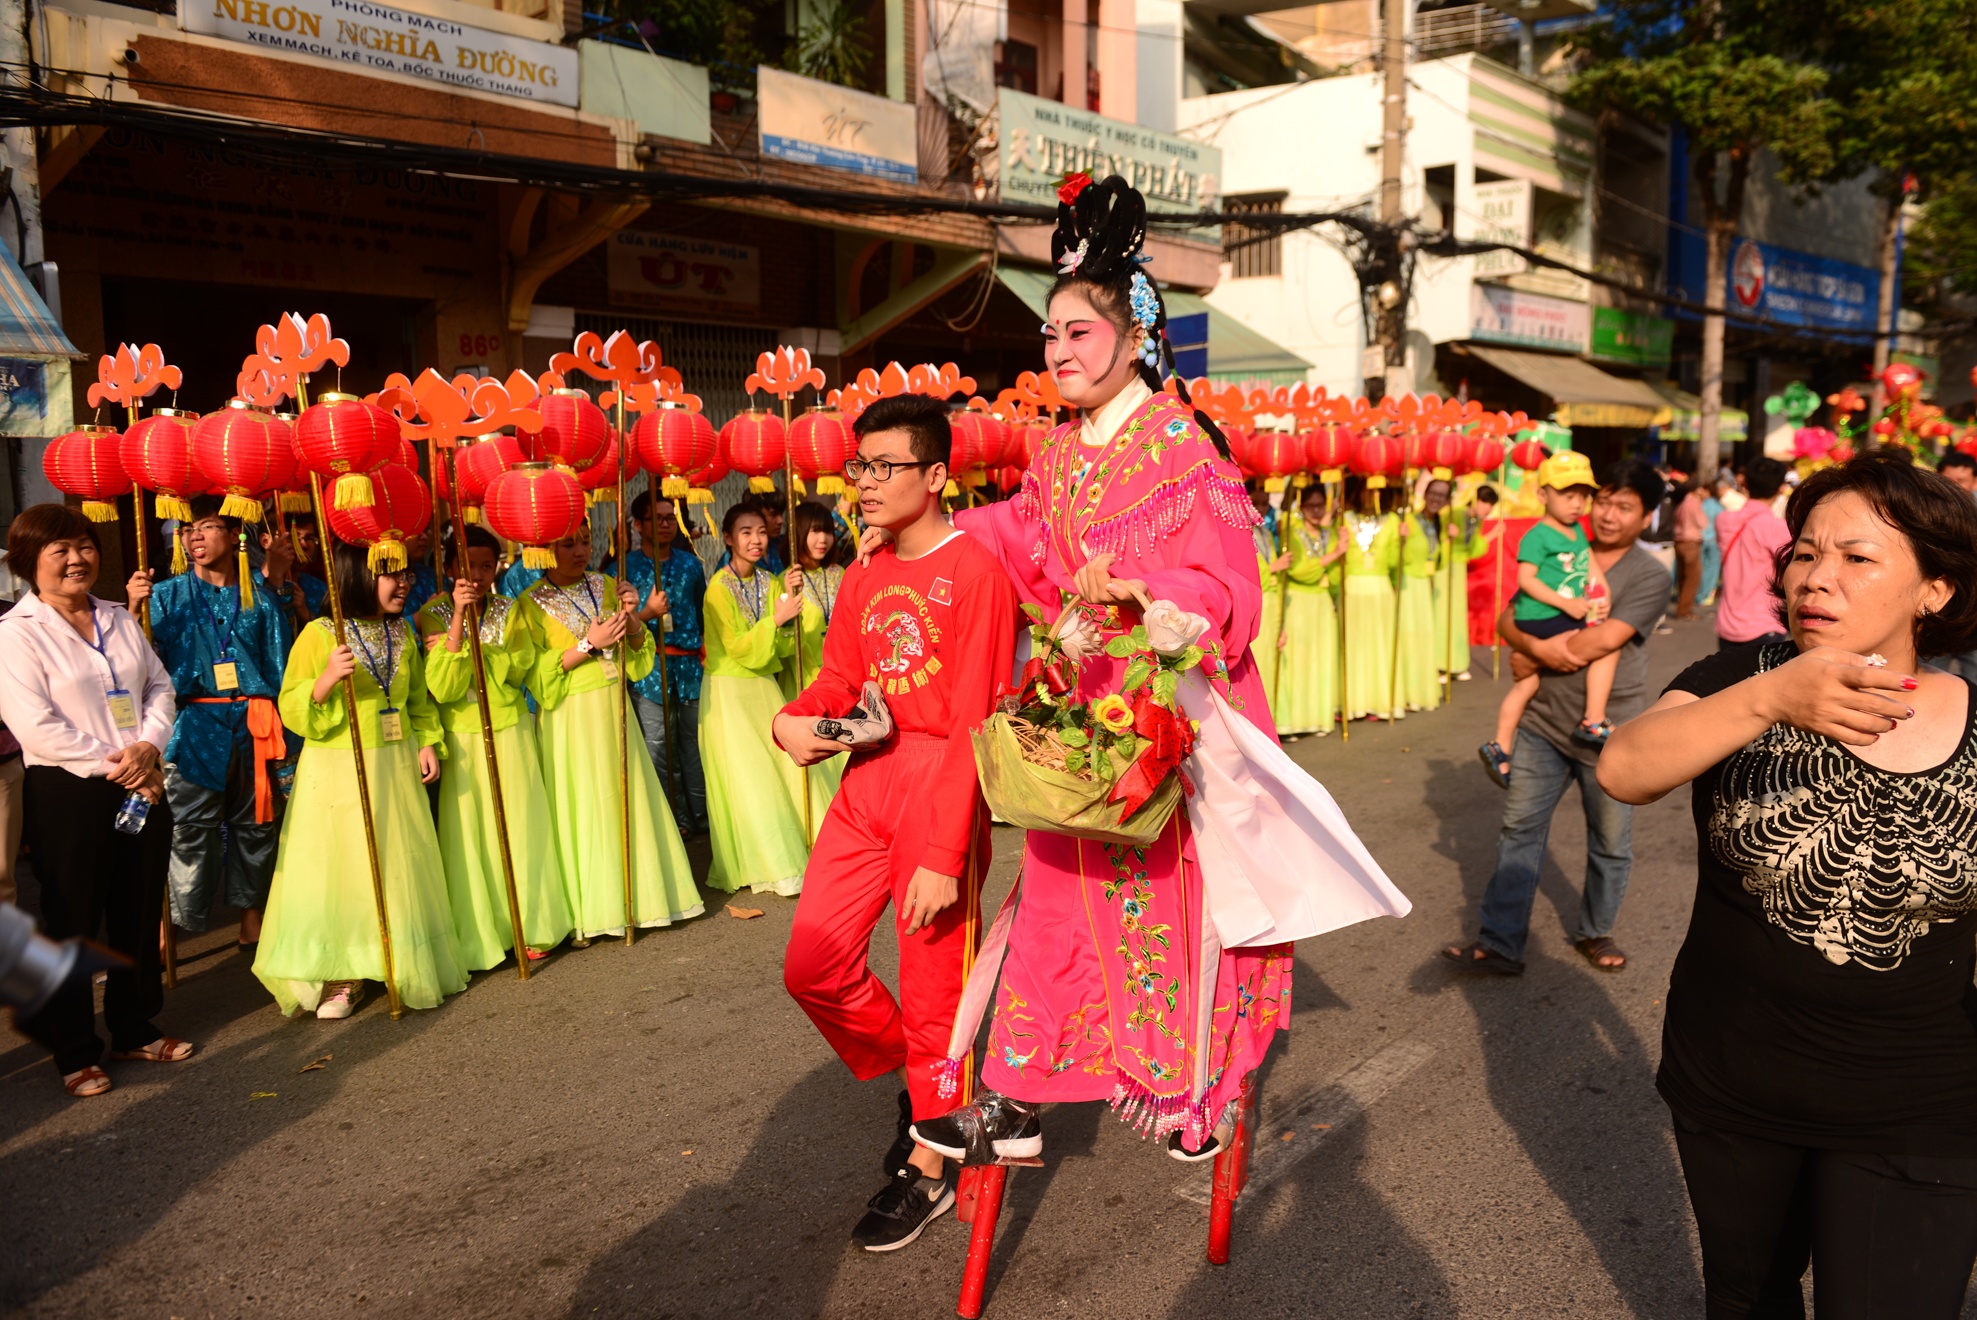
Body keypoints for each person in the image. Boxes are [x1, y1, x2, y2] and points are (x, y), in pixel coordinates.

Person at [908, 174, 1405, 1176]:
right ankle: (1020, 1094)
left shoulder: (1182, 443)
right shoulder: (1052, 455)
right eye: (1049, 335)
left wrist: (1144, 590)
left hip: (1168, 724)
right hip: (1083, 724)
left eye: (1079, 334)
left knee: (1181, 912)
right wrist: (925, 525)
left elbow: (1228, 583)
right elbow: (1020, 541)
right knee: (1052, 890)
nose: (1059, 352)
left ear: (1134, 336)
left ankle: (1190, 1087)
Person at [1597, 454, 1977, 1318]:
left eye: (1856, 557)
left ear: (1934, 592)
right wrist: (1771, 697)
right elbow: (1622, 769)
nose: (1818, 577)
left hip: (1925, 1103)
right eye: (1804, 553)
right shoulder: (1740, 678)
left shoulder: (1974, 719)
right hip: (1735, 1085)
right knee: (1747, 1295)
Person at [774, 392, 1018, 1252]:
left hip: (939, 790)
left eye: (885, 467)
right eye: (859, 466)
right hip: (865, 781)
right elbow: (842, 675)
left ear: (937, 474)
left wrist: (945, 853)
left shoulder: (977, 574)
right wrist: (800, 719)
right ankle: (926, 1093)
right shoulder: (868, 567)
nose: (865, 484)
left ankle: (930, 1168)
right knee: (813, 964)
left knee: (933, 997)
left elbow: (977, 724)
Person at [1443, 459, 1667, 975]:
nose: (1608, 515)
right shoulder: (1557, 547)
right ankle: (1500, 940)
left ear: (1647, 516)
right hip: (1542, 722)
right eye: (1603, 501)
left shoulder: (1648, 575)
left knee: (1610, 840)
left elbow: (1602, 640)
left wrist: (1533, 654)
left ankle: (1595, 931)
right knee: (1519, 829)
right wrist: (1523, 644)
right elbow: (1509, 614)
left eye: (1624, 507)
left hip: (1607, 729)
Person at [0, 504, 190, 1097]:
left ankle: (134, 1026)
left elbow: (159, 685)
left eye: (84, 546)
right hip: (70, 792)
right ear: (31, 563)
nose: (77, 559)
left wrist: (149, 747)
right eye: (60, 551)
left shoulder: (117, 616)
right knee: (72, 920)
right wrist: (123, 765)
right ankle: (74, 1049)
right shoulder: (17, 632)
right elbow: (36, 726)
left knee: (135, 909)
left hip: (142, 778)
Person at [255, 544, 465, 1018]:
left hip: (395, 764)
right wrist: (326, 680)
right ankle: (343, 971)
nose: (405, 583)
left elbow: (417, 701)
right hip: (339, 769)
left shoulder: (402, 632)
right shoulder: (318, 633)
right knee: (342, 866)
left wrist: (427, 740)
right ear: (354, 577)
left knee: (397, 860)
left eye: (406, 572)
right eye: (390, 574)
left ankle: (397, 958)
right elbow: (293, 706)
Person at [129, 496, 295, 950]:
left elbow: (280, 671)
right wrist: (131, 608)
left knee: (256, 825)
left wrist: (290, 741)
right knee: (189, 827)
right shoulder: (165, 596)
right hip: (194, 723)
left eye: (205, 526)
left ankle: (251, 914)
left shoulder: (259, 597)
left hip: (254, 721)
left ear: (235, 535)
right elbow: (134, 665)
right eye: (187, 530)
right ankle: (175, 920)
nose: (194, 537)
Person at [522, 522, 701, 941]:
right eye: (567, 543)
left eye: (586, 541)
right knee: (584, 805)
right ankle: (592, 908)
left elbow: (638, 660)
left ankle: (641, 898)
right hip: (570, 718)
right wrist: (588, 644)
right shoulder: (528, 605)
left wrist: (633, 618)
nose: (580, 550)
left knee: (625, 799)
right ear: (546, 549)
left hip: (613, 706)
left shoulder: (605, 586)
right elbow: (537, 677)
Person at [415, 526, 574, 965]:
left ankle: (531, 922)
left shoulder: (511, 609)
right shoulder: (431, 612)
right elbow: (444, 687)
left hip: (510, 728)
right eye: (469, 567)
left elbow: (517, 670)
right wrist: (455, 627)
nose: (480, 576)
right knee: (472, 835)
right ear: (449, 569)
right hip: (462, 735)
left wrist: (462, 649)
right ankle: (482, 933)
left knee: (522, 827)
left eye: (488, 566)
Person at [701, 504, 821, 898]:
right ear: (728, 539)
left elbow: (785, 647)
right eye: (746, 532)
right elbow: (738, 647)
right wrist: (778, 620)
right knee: (750, 780)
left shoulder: (771, 581)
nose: (755, 540)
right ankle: (768, 864)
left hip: (765, 686)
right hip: (730, 694)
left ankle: (805, 852)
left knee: (782, 771)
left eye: (761, 532)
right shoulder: (717, 589)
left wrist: (790, 603)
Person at [1478, 451, 1615, 786]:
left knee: (1527, 683)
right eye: (1567, 495)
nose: (1576, 503)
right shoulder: (1538, 535)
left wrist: (1603, 591)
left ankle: (1500, 745)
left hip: (1555, 614)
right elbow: (1525, 580)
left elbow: (1589, 563)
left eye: (1582, 496)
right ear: (1543, 495)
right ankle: (1594, 720)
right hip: (1544, 615)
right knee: (1607, 647)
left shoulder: (1575, 531)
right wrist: (1566, 605)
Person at [620, 490, 709, 835]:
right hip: (648, 670)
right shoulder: (622, 569)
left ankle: (703, 818)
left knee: (695, 748)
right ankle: (673, 823)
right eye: (656, 519)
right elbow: (617, 626)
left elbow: (703, 616)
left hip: (690, 669)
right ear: (639, 525)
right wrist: (646, 614)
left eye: (670, 518)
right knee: (659, 752)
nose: (665, 525)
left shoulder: (691, 564)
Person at [1273, 481, 1342, 735]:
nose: (1315, 510)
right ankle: (1297, 720)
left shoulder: (1329, 533)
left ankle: (1318, 718)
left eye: (1319, 505)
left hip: (1322, 602)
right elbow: (1299, 570)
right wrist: (1333, 555)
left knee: (1320, 659)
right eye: (1310, 505)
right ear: (1301, 507)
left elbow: (1335, 574)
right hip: (1299, 601)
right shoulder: (1293, 529)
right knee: (1300, 660)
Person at [1714, 456, 1793, 650]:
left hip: (1726, 624)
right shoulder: (1777, 528)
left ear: (1744, 482)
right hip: (1764, 624)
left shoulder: (1724, 520)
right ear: (1782, 487)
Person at [1341, 478, 1400, 720]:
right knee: (1353, 646)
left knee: (1379, 645)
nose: (1371, 495)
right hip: (1352, 587)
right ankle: (1353, 702)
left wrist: (1402, 541)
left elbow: (1395, 561)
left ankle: (1379, 701)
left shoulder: (1394, 520)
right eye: (1367, 490)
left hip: (1380, 587)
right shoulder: (1344, 518)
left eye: (1376, 490)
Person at [1424, 477, 1486, 681]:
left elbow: (1474, 549)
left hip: (1457, 567)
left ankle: (1456, 663)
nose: (1487, 508)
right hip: (1443, 566)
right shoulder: (1452, 514)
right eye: (1485, 502)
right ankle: (1439, 664)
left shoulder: (1474, 519)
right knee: (1442, 614)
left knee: (1456, 616)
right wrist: (1448, 539)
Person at [1393, 483, 1441, 713]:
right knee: (1409, 638)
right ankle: (1408, 693)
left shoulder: (1438, 523)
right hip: (1408, 584)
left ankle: (1422, 691)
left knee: (1424, 638)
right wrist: (1399, 537)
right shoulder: (1409, 521)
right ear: (1425, 494)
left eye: (1442, 495)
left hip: (1425, 585)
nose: (1437, 499)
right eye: (1433, 493)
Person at [1672, 478, 1707, 620]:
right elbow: (1703, 522)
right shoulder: (1693, 503)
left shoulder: (1680, 503)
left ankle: (1682, 607)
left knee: (1683, 577)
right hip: (1691, 542)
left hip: (1679, 541)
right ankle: (1684, 610)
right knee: (1692, 579)